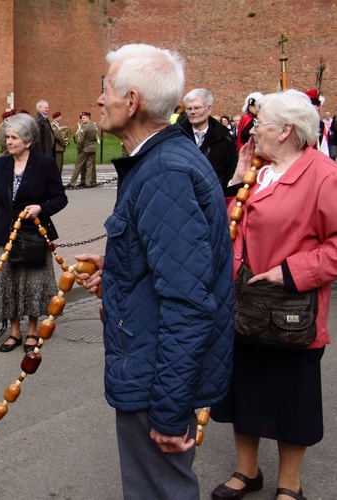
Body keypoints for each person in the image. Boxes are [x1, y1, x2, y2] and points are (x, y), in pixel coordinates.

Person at [77, 44, 234, 499]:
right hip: (148, 361)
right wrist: (118, 266)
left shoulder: (163, 171)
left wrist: (168, 409)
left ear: (132, 101)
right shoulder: (160, 161)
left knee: (160, 491)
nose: (100, 99)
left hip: (153, 375)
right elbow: (173, 262)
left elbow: (189, 301)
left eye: (106, 89)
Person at [209, 90, 337, 500]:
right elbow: (224, 225)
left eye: (259, 123)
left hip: (290, 311)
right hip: (242, 306)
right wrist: (235, 178)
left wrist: (289, 272)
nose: (251, 129)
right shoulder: (257, 169)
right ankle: (247, 472)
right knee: (242, 392)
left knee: (290, 401)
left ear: (285, 131)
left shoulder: (323, 175)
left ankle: (289, 484)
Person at [0, 113, 67, 353]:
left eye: (14, 138)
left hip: (34, 235)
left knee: (33, 282)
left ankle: (32, 329)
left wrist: (41, 208)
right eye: (7, 136)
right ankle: (14, 332)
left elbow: (60, 198)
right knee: (8, 282)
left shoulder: (44, 164)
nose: (9, 141)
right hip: (5, 234)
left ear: (28, 141)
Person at [180, 88, 238, 189]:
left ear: (209, 109)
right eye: (189, 109)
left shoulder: (225, 139)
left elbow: (230, 172)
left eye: (197, 108)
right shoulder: (178, 136)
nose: (192, 112)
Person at [68, 112, 98, 187]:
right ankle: (88, 182)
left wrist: (78, 148)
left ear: (88, 117)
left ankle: (72, 183)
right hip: (92, 148)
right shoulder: (94, 126)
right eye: (82, 118)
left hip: (85, 148)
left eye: (84, 118)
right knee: (89, 166)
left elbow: (81, 140)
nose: (82, 119)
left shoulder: (84, 127)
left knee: (78, 165)